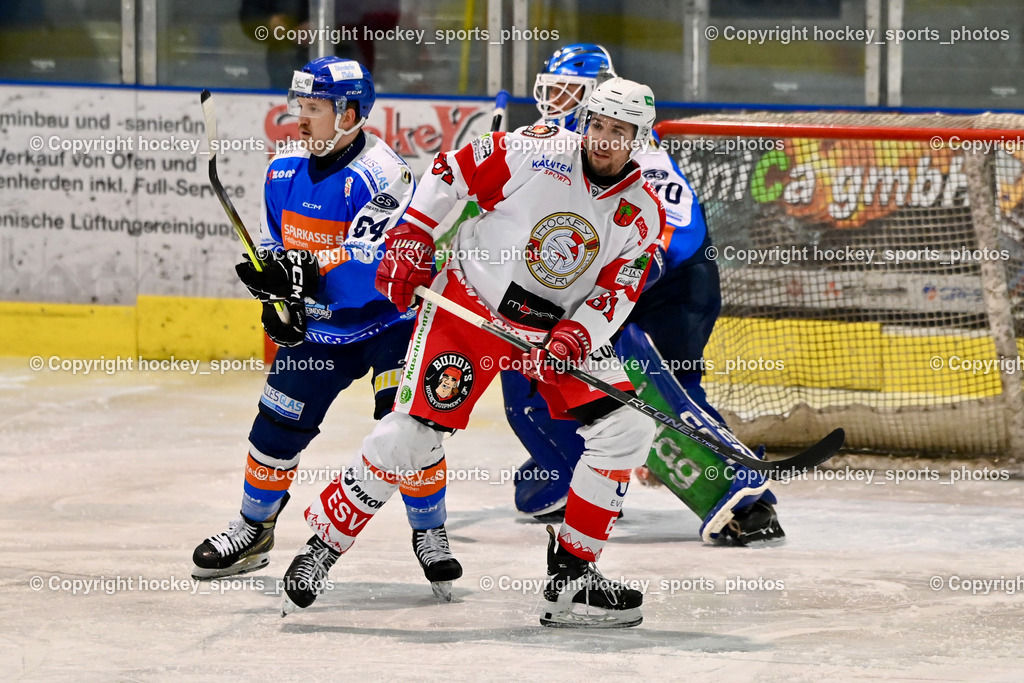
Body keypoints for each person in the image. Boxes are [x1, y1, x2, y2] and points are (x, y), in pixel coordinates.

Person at [280, 76, 664, 628]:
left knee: (626, 429)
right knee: (413, 435)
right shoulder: (536, 150)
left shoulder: (641, 213)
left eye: (619, 131)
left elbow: (615, 293)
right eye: (597, 125)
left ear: (639, 138)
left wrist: (574, 337)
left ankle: (573, 577)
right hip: (471, 309)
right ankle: (323, 546)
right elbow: (450, 173)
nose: (603, 139)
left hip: (553, 333)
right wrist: (412, 237)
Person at [190, 56, 462, 591]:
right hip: (321, 332)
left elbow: (376, 262)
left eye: (314, 109)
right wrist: (277, 294)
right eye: (300, 107)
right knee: (276, 425)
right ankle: (253, 528)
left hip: (392, 323)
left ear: (350, 112)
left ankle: (430, 532)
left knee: (410, 429)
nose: (301, 119)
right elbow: (274, 242)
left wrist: (305, 272)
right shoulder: (282, 170)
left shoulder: (384, 174)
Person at [500, 43, 784, 546]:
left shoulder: (642, 155)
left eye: (570, 91)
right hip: (617, 292)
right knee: (531, 383)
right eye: (554, 90)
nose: (557, 101)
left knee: (661, 389)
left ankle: (747, 500)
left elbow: (670, 237)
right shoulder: (562, 151)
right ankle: (575, 472)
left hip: (670, 288)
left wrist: (614, 296)